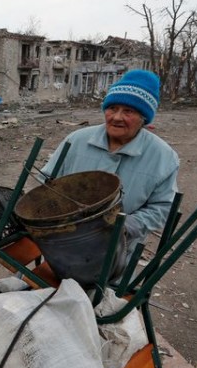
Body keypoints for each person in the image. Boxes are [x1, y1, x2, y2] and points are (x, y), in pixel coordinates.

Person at [40, 69, 179, 263]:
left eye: (128, 111)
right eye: (112, 108)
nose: (117, 117)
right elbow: (46, 181)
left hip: (116, 253)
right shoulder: (77, 140)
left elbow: (163, 207)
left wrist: (125, 225)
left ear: (144, 118)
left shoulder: (163, 156)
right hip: (61, 243)